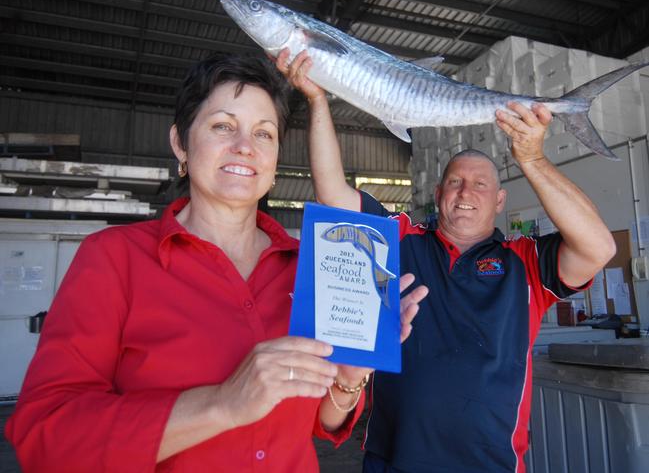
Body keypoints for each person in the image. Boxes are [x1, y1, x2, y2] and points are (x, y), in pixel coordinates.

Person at [5, 55, 428, 473]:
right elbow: (47, 439)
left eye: (264, 134)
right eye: (223, 126)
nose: (245, 146)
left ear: (276, 160)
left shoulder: (311, 268)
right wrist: (224, 403)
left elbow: (322, 422)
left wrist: (350, 376)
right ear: (180, 143)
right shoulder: (113, 259)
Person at [276, 49, 616, 473]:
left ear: (499, 199)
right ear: (438, 195)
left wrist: (532, 158)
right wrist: (317, 100)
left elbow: (598, 248)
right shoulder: (402, 241)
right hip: (392, 462)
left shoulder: (525, 262)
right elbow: (332, 194)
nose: (465, 192)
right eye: (454, 182)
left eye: (479, 184)